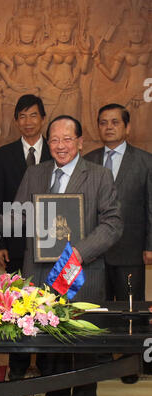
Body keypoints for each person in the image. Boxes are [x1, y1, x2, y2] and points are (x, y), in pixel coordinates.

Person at [14, 115, 123, 396]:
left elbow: (113, 224)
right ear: (48, 144)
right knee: (50, 346)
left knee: (84, 346)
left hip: (83, 273)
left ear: (80, 142)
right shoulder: (35, 173)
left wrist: (80, 252)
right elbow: (20, 213)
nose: (60, 146)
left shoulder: (100, 176)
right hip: (41, 274)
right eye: (54, 140)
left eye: (67, 139)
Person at [0, 94, 51, 381]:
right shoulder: (3, 155)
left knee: (49, 304)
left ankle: (50, 366)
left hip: (50, 243)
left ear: (43, 118)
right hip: (13, 244)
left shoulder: (57, 150)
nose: (28, 122)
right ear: (16, 121)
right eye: (22, 116)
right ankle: (17, 367)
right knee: (16, 305)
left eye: (33, 115)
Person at [84, 103, 152, 301]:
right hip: (94, 254)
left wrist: (150, 245)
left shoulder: (146, 162)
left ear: (127, 127)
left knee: (130, 311)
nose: (109, 127)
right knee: (95, 312)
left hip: (130, 252)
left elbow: (151, 207)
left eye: (115, 122)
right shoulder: (87, 161)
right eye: (103, 123)